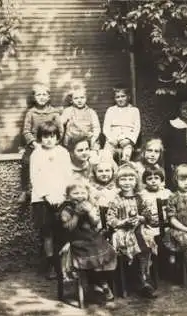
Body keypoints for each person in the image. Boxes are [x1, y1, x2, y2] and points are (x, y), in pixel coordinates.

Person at [58, 182, 117, 302]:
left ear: (87, 194)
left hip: (92, 237)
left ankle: (99, 282)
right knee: (88, 255)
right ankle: (100, 283)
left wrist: (90, 212)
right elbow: (69, 228)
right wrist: (77, 215)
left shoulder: (89, 204)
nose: (79, 196)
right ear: (68, 196)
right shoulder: (66, 209)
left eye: (82, 193)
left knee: (102, 250)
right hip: (76, 240)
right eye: (75, 193)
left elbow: (95, 223)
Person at [106, 164, 157, 298]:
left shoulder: (140, 198)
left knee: (145, 243)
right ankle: (138, 279)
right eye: (123, 179)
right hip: (122, 231)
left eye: (130, 179)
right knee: (132, 242)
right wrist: (123, 222)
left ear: (136, 181)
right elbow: (110, 218)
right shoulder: (116, 199)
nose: (127, 182)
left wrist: (141, 218)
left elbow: (149, 215)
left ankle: (143, 278)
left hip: (138, 228)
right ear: (118, 181)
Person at [29, 121, 72, 279]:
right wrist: (46, 195)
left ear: (57, 137)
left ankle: (64, 264)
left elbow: (68, 176)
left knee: (62, 231)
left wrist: (63, 196)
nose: (49, 140)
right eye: (45, 136)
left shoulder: (63, 152)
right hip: (42, 199)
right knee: (47, 233)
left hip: (61, 197)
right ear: (40, 138)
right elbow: (35, 178)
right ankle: (51, 265)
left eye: (52, 136)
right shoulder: (37, 154)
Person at [21, 83, 63, 202]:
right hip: (35, 145)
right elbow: (26, 131)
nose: (42, 97)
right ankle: (25, 190)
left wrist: (54, 143)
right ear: (34, 97)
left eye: (44, 94)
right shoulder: (31, 113)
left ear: (49, 97)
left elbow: (60, 130)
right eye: (39, 95)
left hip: (51, 143)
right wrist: (34, 144)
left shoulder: (54, 113)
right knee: (26, 162)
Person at [162, 100, 187, 190]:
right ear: (179, 110)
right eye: (185, 108)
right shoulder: (171, 124)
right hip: (176, 163)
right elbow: (166, 146)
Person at [102, 85, 141, 162]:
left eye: (123, 96)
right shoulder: (111, 110)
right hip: (112, 139)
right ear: (115, 99)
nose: (120, 99)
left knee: (127, 153)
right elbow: (106, 128)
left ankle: (124, 164)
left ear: (128, 97)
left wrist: (129, 140)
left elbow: (137, 128)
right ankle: (110, 168)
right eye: (118, 97)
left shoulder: (134, 110)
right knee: (106, 155)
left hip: (127, 138)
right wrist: (111, 139)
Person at [61, 84, 101, 149]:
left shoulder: (91, 112)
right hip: (72, 140)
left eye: (82, 97)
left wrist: (94, 138)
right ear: (71, 100)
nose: (79, 100)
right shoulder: (68, 111)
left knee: (95, 149)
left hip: (87, 140)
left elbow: (96, 128)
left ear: (86, 98)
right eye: (76, 98)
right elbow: (60, 124)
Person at [89, 156, 119, 234]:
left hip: (115, 221)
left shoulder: (117, 188)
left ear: (113, 172)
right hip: (97, 221)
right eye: (100, 171)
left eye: (107, 171)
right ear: (95, 173)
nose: (104, 173)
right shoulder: (91, 188)